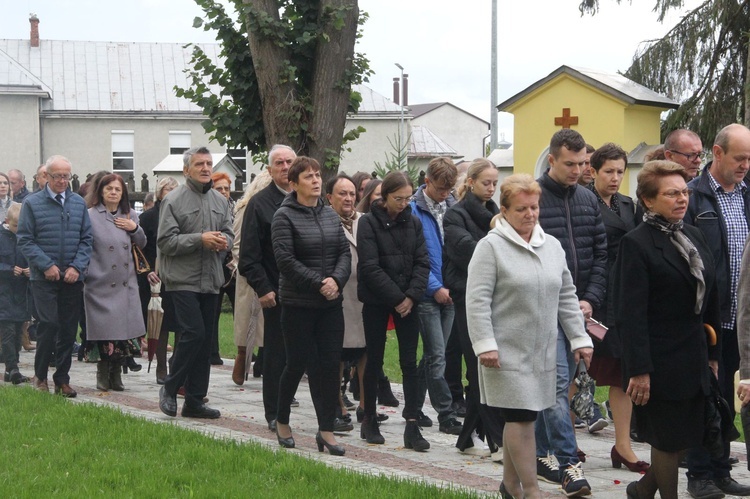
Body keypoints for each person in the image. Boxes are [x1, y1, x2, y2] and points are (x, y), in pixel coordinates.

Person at [467, 173, 593, 499]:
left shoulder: (551, 246)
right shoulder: (490, 247)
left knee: (522, 418)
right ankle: (532, 490)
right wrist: (485, 345)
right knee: (521, 420)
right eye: (522, 209)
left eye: (534, 207)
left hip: (543, 351)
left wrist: (579, 339)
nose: (530, 214)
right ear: (505, 210)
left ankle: (509, 486)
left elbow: (567, 296)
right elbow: (476, 300)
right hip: (504, 352)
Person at [614, 160, 721, 499]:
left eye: (685, 191)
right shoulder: (637, 244)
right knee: (666, 437)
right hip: (658, 358)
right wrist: (639, 370)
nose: (682, 199)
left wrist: (713, 354)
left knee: (684, 434)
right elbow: (629, 314)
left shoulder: (694, 235)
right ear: (647, 200)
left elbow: (711, 295)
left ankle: (643, 491)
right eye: (671, 193)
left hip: (693, 353)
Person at [534, 128, 606, 496]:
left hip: (578, 306)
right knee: (557, 384)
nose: (579, 170)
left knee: (556, 385)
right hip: (543, 309)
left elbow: (599, 255)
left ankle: (540, 452)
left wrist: (590, 298)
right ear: (552, 160)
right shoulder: (533, 199)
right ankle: (567, 462)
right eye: (570, 163)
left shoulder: (588, 200)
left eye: (583, 163)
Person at [683, 123, 750, 498]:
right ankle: (699, 473)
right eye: (739, 157)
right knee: (706, 396)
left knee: (731, 399)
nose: (745, 165)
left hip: (744, 318)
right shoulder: (693, 197)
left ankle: (722, 469)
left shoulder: (748, 195)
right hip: (710, 317)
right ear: (718, 152)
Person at [271, 157, 351, 455]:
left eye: (318, 175)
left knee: (330, 367)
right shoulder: (284, 216)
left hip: (330, 304)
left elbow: (344, 253)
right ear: (294, 184)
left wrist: (335, 281)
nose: (316, 180)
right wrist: (319, 283)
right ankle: (282, 420)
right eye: (309, 176)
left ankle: (326, 430)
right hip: (298, 304)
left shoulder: (330, 215)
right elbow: (286, 262)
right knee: (296, 364)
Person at [157, 146, 234, 420]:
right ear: (186, 170)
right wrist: (199, 239)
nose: (205, 168)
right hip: (182, 280)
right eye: (199, 164)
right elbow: (165, 242)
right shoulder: (174, 200)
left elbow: (229, 233)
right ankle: (169, 386)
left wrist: (225, 241)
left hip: (211, 279)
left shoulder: (221, 200)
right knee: (193, 334)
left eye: (208, 163)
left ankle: (195, 400)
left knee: (204, 342)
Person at [357, 171, 431, 450]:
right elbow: (370, 266)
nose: (403, 203)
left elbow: (423, 262)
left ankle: (412, 423)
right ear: (384, 196)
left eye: (408, 198)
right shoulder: (368, 223)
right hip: (377, 300)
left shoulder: (413, 222)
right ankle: (369, 420)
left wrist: (411, 296)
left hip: (408, 301)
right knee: (374, 360)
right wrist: (397, 297)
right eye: (397, 198)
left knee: (409, 362)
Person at [586, 143, 647, 471]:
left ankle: (622, 445)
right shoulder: (582, 200)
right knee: (579, 372)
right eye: (608, 171)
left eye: (620, 171)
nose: (615, 178)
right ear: (593, 170)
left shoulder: (628, 204)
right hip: (590, 295)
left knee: (620, 372)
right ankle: (566, 443)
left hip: (622, 295)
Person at [17, 155, 93, 397]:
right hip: (44, 278)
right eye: (57, 176)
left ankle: (62, 379)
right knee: (49, 324)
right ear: (46, 177)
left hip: (72, 277)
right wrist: (46, 265)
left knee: (69, 329)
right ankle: (40, 376)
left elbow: (86, 239)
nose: (62, 181)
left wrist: (76, 267)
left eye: (66, 176)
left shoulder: (78, 203)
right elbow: (25, 240)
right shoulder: (32, 203)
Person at [443, 158, 504, 458]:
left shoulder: (496, 213)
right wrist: (497, 242)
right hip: (466, 295)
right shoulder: (455, 214)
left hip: (496, 296)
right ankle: (497, 440)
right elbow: (467, 250)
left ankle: (466, 438)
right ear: (470, 182)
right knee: (478, 365)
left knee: (486, 368)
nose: (491, 188)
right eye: (485, 182)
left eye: (495, 183)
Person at [238, 144, 296, 431]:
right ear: (270, 170)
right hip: (277, 292)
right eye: (279, 163)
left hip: (309, 291)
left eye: (289, 162)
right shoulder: (260, 204)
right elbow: (249, 257)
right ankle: (274, 411)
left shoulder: (311, 200)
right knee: (276, 356)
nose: (285, 167)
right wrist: (264, 288)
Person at [409, 157, 463, 434]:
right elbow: (414, 257)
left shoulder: (454, 206)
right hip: (428, 293)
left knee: (431, 356)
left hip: (451, 291)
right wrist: (434, 288)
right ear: (427, 181)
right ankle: (446, 413)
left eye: (449, 189)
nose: (445, 194)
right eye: (441, 189)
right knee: (437, 354)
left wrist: (452, 286)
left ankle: (414, 408)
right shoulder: (413, 210)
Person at [83, 174, 146, 391]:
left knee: (122, 333)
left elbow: (143, 243)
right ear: (100, 191)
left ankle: (117, 373)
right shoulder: (90, 215)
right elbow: (84, 246)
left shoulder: (131, 215)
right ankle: (103, 372)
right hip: (100, 282)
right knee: (104, 332)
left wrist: (133, 228)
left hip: (125, 283)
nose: (113, 193)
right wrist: (89, 272)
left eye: (118, 190)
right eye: (109, 188)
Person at [230, 170, 272, 386]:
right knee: (247, 324)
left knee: (272, 328)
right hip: (250, 276)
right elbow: (237, 245)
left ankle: (267, 366)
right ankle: (242, 360)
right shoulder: (246, 209)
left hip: (273, 275)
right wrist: (250, 268)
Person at [138, 176, 179, 384]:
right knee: (160, 325)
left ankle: (177, 365)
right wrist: (147, 272)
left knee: (181, 324)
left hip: (179, 275)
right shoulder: (148, 217)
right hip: (156, 277)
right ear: (159, 192)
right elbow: (140, 250)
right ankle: (160, 367)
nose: (171, 192)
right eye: (167, 189)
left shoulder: (181, 213)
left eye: (175, 189)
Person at [0, 202, 31, 384]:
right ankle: (12, 368)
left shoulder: (26, 238)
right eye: (15, 226)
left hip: (22, 293)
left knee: (19, 329)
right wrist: (8, 269)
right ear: (7, 221)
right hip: (4, 292)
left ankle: (13, 367)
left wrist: (30, 270)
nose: (18, 230)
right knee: (8, 330)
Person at [209, 171, 236, 366]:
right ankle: (212, 352)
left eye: (227, 188)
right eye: (220, 188)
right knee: (213, 311)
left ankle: (245, 352)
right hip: (216, 265)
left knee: (241, 312)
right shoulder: (211, 209)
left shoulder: (238, 209)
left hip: (235, 268)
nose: (224, 192)